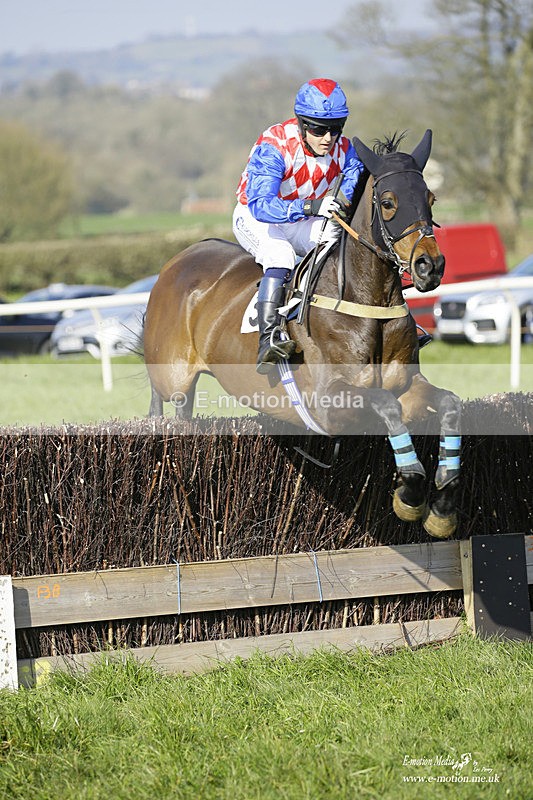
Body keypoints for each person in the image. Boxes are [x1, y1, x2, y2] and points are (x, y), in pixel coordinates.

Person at [233, 78, 365, 373]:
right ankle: (268, 341)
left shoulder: (344, 150)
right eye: (318, 129)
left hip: (303, 219)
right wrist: (312, 207)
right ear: (302, 124)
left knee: (343, 244)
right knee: (280, 255)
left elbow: (354, 187)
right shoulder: (276, 144)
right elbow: (261, 204)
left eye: (335, 128)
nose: (328, 138)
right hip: (255, 217)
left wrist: (342, 204)